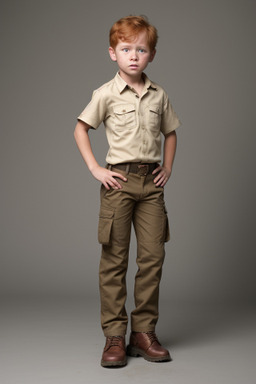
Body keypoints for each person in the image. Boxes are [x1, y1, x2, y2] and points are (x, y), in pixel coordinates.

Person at [74, 15, 181, 368]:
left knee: (152, 260)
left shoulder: (159, 94)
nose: (133, 56)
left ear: (150, 55)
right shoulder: (104, 94)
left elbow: (170, 133)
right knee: (114, 261)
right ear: (112, 53)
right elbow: (80, 129)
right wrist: (95, 169)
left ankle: (143, 333)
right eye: (125, 49)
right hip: (117, 184)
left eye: (141, 49)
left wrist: (167, 167)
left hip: (151, 185)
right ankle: (115, 337)